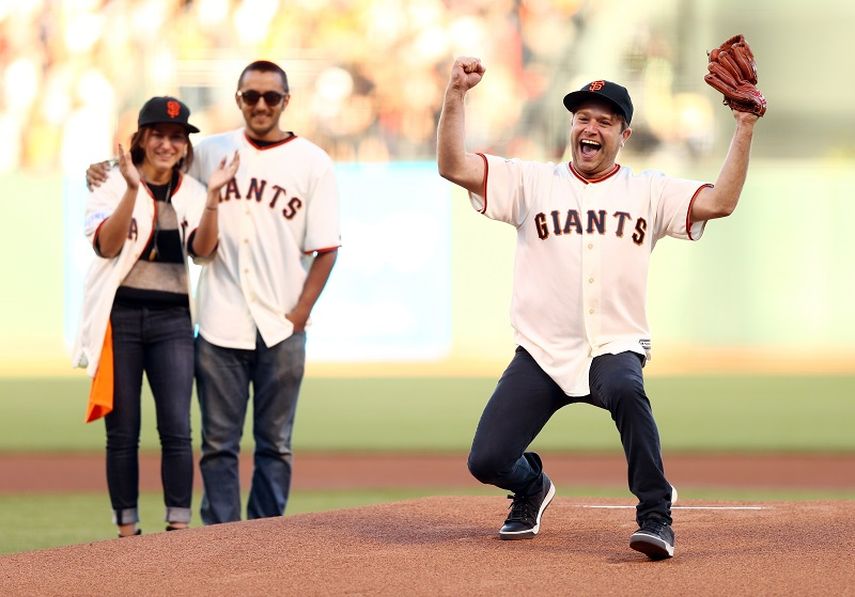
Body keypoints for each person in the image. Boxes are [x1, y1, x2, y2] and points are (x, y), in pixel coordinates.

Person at [437, 57, 759, 560]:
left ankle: (656, 515)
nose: (590, 128)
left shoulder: (649, 190)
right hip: (543, 352)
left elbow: (720, 201)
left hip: (614, 345)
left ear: (623, 135)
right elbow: (453, 166)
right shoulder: (530, 182)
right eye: (582, 118)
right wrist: (456, 95)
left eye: (604, 121)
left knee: (628, 390)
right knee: (487, 460)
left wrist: (744, 126)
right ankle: (531, 486)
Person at [88, 60, 341, 524]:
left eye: (271, 96)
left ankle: (265, 537)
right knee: (218, 445)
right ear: (238, 99)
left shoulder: (313, 162)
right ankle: (220, 542)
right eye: (251, 96)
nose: (260, 105)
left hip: (282, 323)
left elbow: (326, 249)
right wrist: (104, 168)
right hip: (222, 319)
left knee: (276, 445)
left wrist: (301, 314)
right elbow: (154, 164)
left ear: (285, 101)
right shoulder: (210, 150)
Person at [73, 96, 239, 537]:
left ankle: (177, 528)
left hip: (172, 323)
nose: (167, 144)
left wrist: (214, 199)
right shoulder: (110, 182)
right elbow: (107, 246)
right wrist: (130, 189)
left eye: (177, 137)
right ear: (142, 139)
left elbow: (203, 252)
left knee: (177, 428)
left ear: (185, 145)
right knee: (123, 431)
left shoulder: (194, 192)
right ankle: (127, 530)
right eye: (159, 135)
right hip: (121, 319)